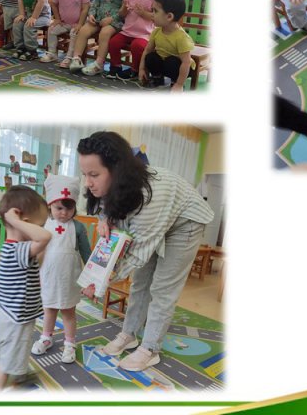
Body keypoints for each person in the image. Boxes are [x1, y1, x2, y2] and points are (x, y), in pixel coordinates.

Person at [75, 131, 214, 371]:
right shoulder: (108, 188)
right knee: (140, 282)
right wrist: (104, 219)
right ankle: (129, 334)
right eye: (84, 174)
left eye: (94, 175)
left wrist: (100, 282)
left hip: (186, 223)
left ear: (117, 170)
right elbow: (106, 209)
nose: (87, 182)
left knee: (162, 288)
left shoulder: (150, 196)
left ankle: (150, 349)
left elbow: (136, 255)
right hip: (156, 219)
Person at [0, 186, 51, 391]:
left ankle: (18, 378)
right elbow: (45, 237)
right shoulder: (19, 249)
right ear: (23, 223)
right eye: (40, 225)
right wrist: (14, 221)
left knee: (12, 357)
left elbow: (36, 264)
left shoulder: (12, 248)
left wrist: (41, 249)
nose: (42, 229)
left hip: (7, 316)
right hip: (16, 322)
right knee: (4, 367)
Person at [31, 175, 92, 364]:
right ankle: (46, 337)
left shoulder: (78, 228)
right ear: (49, 205)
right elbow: (35, 250)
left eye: (69, 208)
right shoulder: (43, 224)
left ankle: (70, 343)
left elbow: (86, 254)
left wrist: (91, 278)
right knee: (49, 309)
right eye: (59, 208)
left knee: (68, 312)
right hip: (48, 276)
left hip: (69, 279)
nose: (64, 213)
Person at [105, 0, 165, 81]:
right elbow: (121, 14)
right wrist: (124, 9)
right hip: (127, 31)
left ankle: (135, 70)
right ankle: (116, 66)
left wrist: (143, 13)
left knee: (137, 46)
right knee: (113, 43)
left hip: (144, 34)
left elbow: (156, 17)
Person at [69, 0, 129, 74]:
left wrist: (111, 19)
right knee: (83, 30)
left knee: (104, 33)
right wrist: (91, 15)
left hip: (115, 22)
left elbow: (124, 12)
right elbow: (94, 5)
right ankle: (76, 58)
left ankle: (99, 64)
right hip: (98, 20)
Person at [137, 0, 193, 93]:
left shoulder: (181, 37)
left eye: (155, 11)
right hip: (163, 64)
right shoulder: (156, 31)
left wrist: (179, 84)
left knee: (172, 61)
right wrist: (142, 69)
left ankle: (175, 83)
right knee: (150, 57)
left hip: (181, 68)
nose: (152, 14)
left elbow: (186, 62)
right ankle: (157, 78)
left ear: (169, 16)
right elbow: (147, 50)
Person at [41, 0, 89, 66]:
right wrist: (57, 18)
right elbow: (53, 4)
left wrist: (80, 24)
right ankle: (52, 53)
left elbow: (85, 9)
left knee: (74, 33)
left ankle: (70, 57)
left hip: (77, 24)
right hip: (64, 23)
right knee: (51, 29)